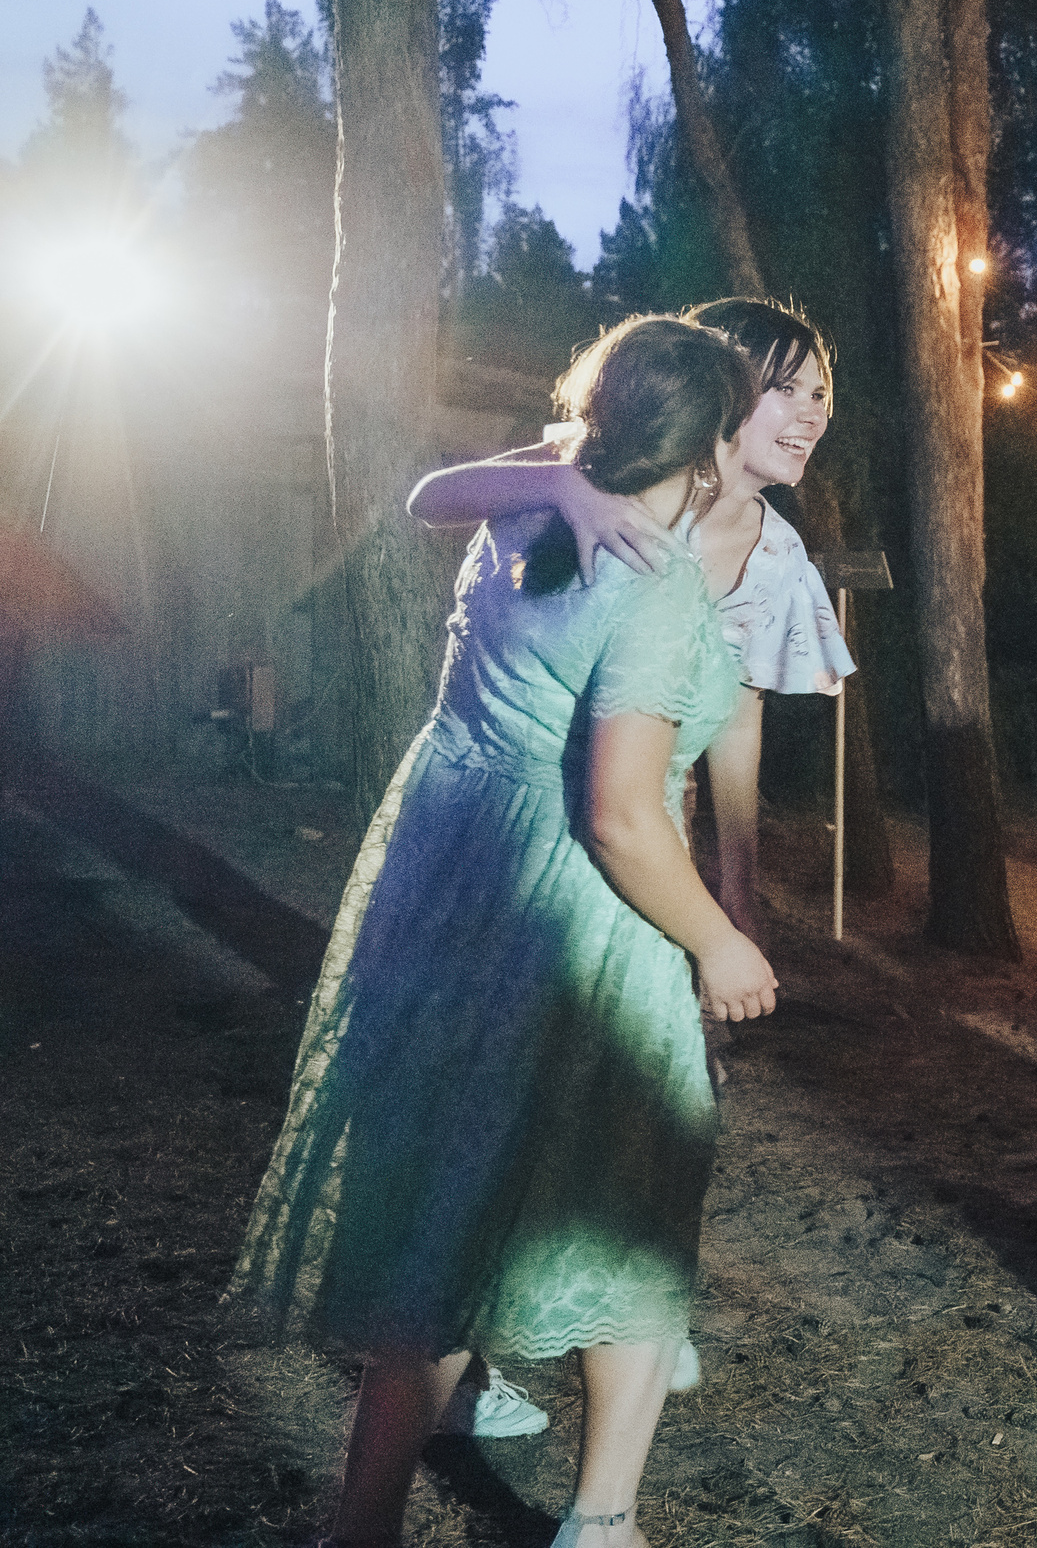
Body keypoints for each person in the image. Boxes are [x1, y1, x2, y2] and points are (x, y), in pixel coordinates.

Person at [229, 315, 779, 1548]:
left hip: (449, 892)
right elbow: (627, 822)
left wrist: (553, 477)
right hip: (579, 924)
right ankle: (602, 1520)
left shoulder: (531, 509)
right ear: (709, 445)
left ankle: (360, 1528)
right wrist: (721, 943)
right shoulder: (652, 585)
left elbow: (436, 487)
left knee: (445, 1208)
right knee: (635, 1194)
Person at [410, 297, 854, 944]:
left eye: (821, 393)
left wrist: (736, 882)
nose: (814, 412)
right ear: (721, 384)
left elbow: (736, 714)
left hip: (646, 827)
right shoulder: (599, 465)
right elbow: (430, 498)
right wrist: (560, 484)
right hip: (515, 810)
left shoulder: (779, 558)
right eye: (788, 388)